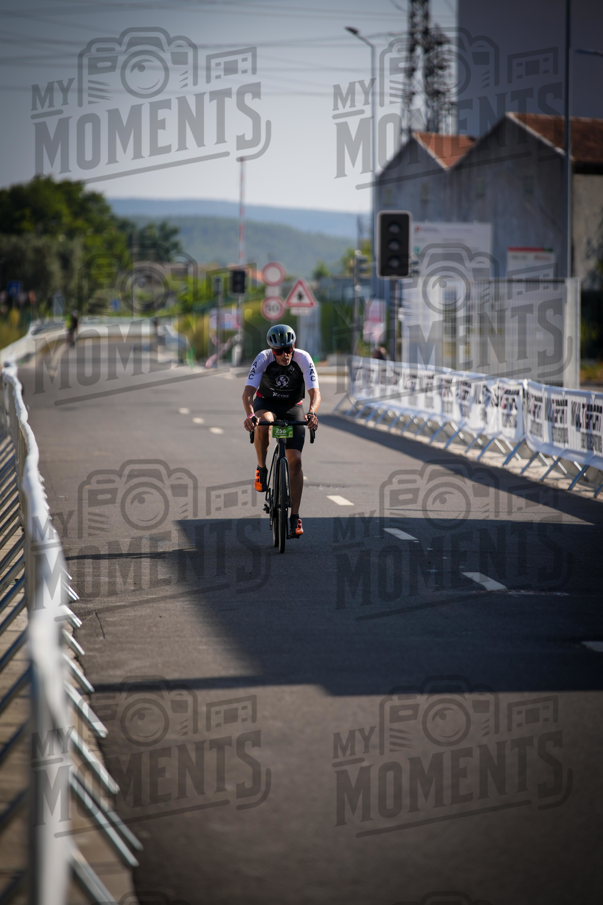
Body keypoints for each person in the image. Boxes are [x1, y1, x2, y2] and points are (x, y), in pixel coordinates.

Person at [242, 324, 320, 538]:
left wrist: (312, 413)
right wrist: (250, 415)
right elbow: (248, 393)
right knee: (264, 422)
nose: (285, 355)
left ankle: (294, 516)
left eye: (289, 349)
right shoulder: (263, 358)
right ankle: (261, 468)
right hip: (266, 403)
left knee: (295, 461)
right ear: (272, 350)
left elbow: (315, 392)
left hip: (293, 406)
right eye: (279, 351)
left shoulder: (303, 358)